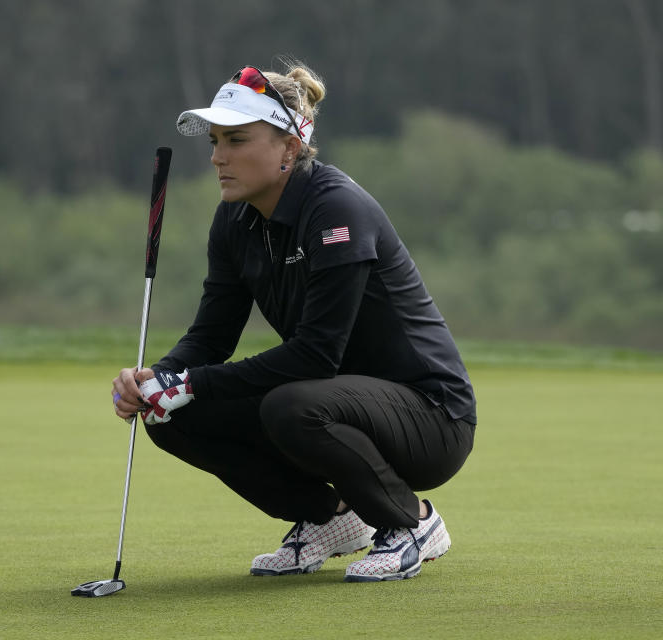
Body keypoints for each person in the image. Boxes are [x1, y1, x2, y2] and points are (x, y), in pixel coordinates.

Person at [111, 62, 476, 582]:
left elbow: (316, 354)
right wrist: (159, 378)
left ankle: (411, 523)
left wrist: (193, 382)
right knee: (172, 415)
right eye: (215, 141)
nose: (217, 157)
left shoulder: (336, 208)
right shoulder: (234, 219)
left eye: (236, 140)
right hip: (335, 403)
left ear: (288, 146)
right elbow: (212, 335)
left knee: (290, 403)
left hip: (431, 418)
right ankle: (330, 518)